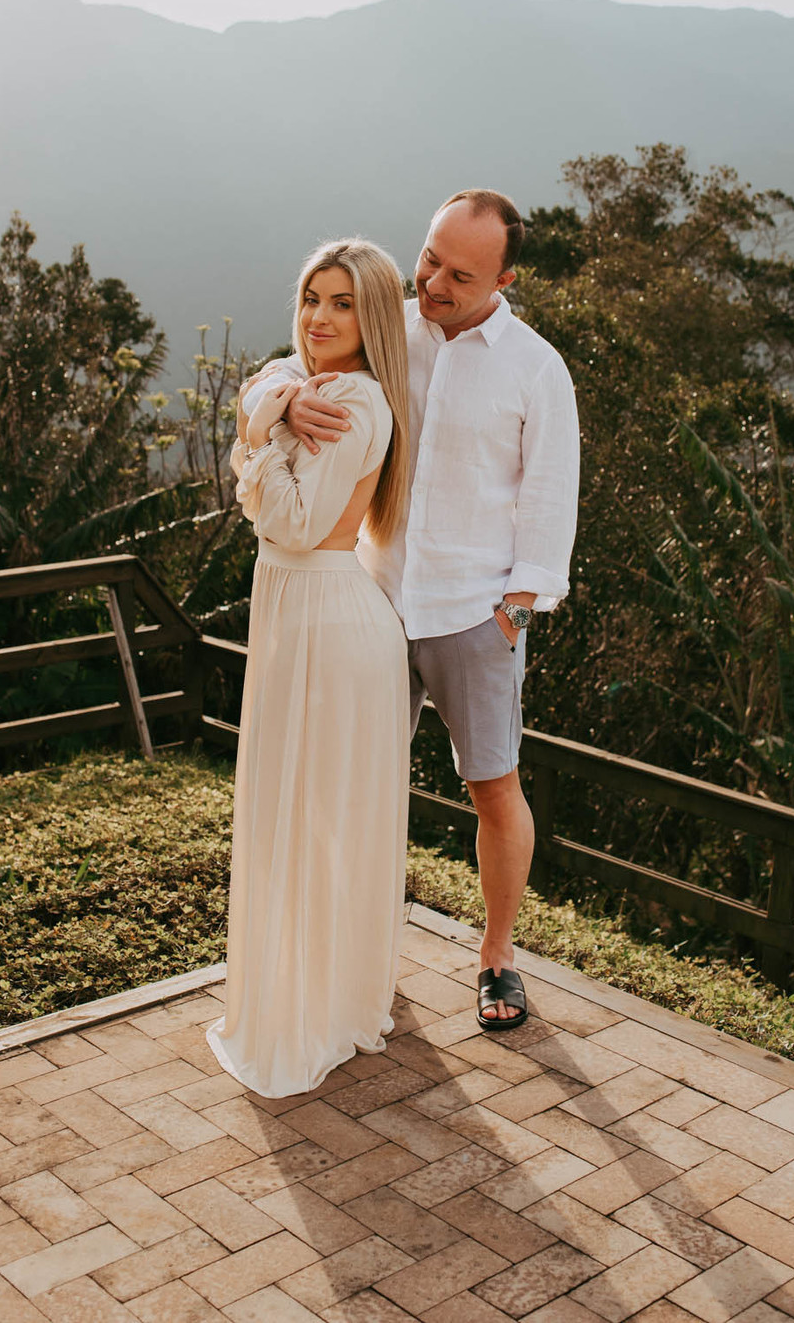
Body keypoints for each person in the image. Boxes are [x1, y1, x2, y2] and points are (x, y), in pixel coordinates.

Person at [257, 191, 580, 1030]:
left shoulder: (536, 368)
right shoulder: (388, 326)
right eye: (430, 258)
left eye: (459, 275)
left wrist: (514, 614)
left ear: (504, 280)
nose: (432, 282)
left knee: (493, 787)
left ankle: (498, 958)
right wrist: (286, 398)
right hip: (372, 598)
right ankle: (356, 952)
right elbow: (293, 356)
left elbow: (550, 503)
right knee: (352, 779)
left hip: (475, 615)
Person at [206, 239, 411, 1097]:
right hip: (300, 617)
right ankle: (314, 994)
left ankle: (317, 1011)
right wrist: (270, 403)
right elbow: (263, 386)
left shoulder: (353, 400)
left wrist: (258, 433)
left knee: (314, 821)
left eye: (343, 303)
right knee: (300, 819)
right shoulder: (303, 380)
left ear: (374, 317)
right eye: (311, 298)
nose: (320, 318)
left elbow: (290, 524)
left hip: (330, 622)